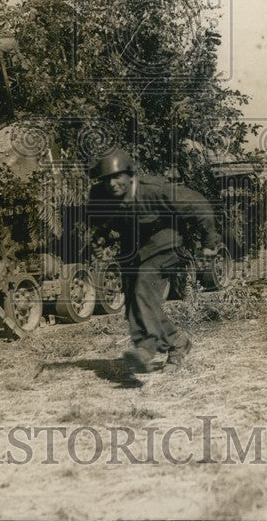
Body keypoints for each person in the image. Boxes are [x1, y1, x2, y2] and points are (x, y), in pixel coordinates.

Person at [88, 149, 220, 374]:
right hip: (136, 248)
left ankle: (151, 349)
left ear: (130, 175)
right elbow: (106, 221)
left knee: (143, 288)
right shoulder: (101, 194)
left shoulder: (155, 191)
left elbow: (199, 205)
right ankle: (174, 343)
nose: (112, 183)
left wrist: (209, 243)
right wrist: (102, 237)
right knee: (133, 301)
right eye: (106, 179)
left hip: (166, 244)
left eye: (117, 176)